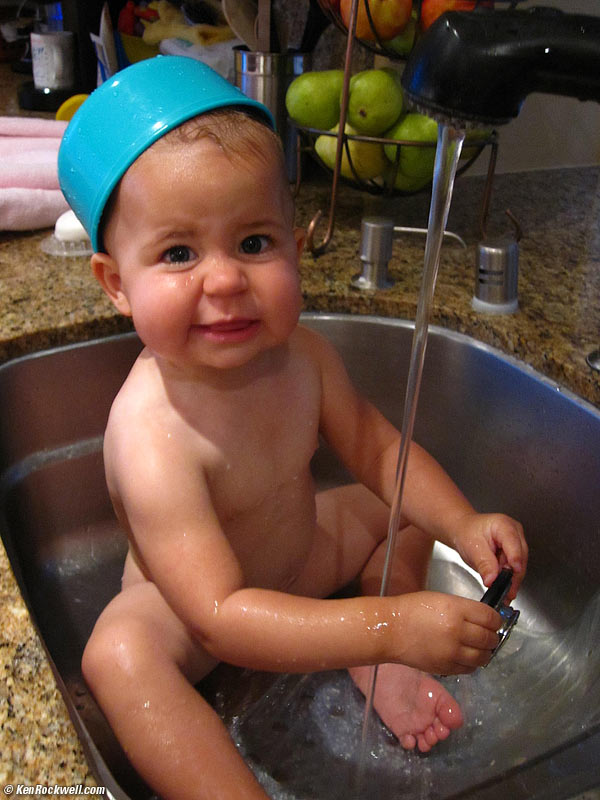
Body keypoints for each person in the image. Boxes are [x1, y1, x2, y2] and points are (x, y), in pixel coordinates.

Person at [58, 57, 528, 800]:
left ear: (296, 243)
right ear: (117, 283)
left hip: (301, 564)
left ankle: (379, 663)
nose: (224, 280)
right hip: (194, 619)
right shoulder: (152, 436)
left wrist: (465, 524)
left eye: (253, 243)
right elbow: (218, 618)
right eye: (179, 253)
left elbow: (377, 450)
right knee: (117, 657)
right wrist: (388, 623)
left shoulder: (303, 355)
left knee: (401, 502)